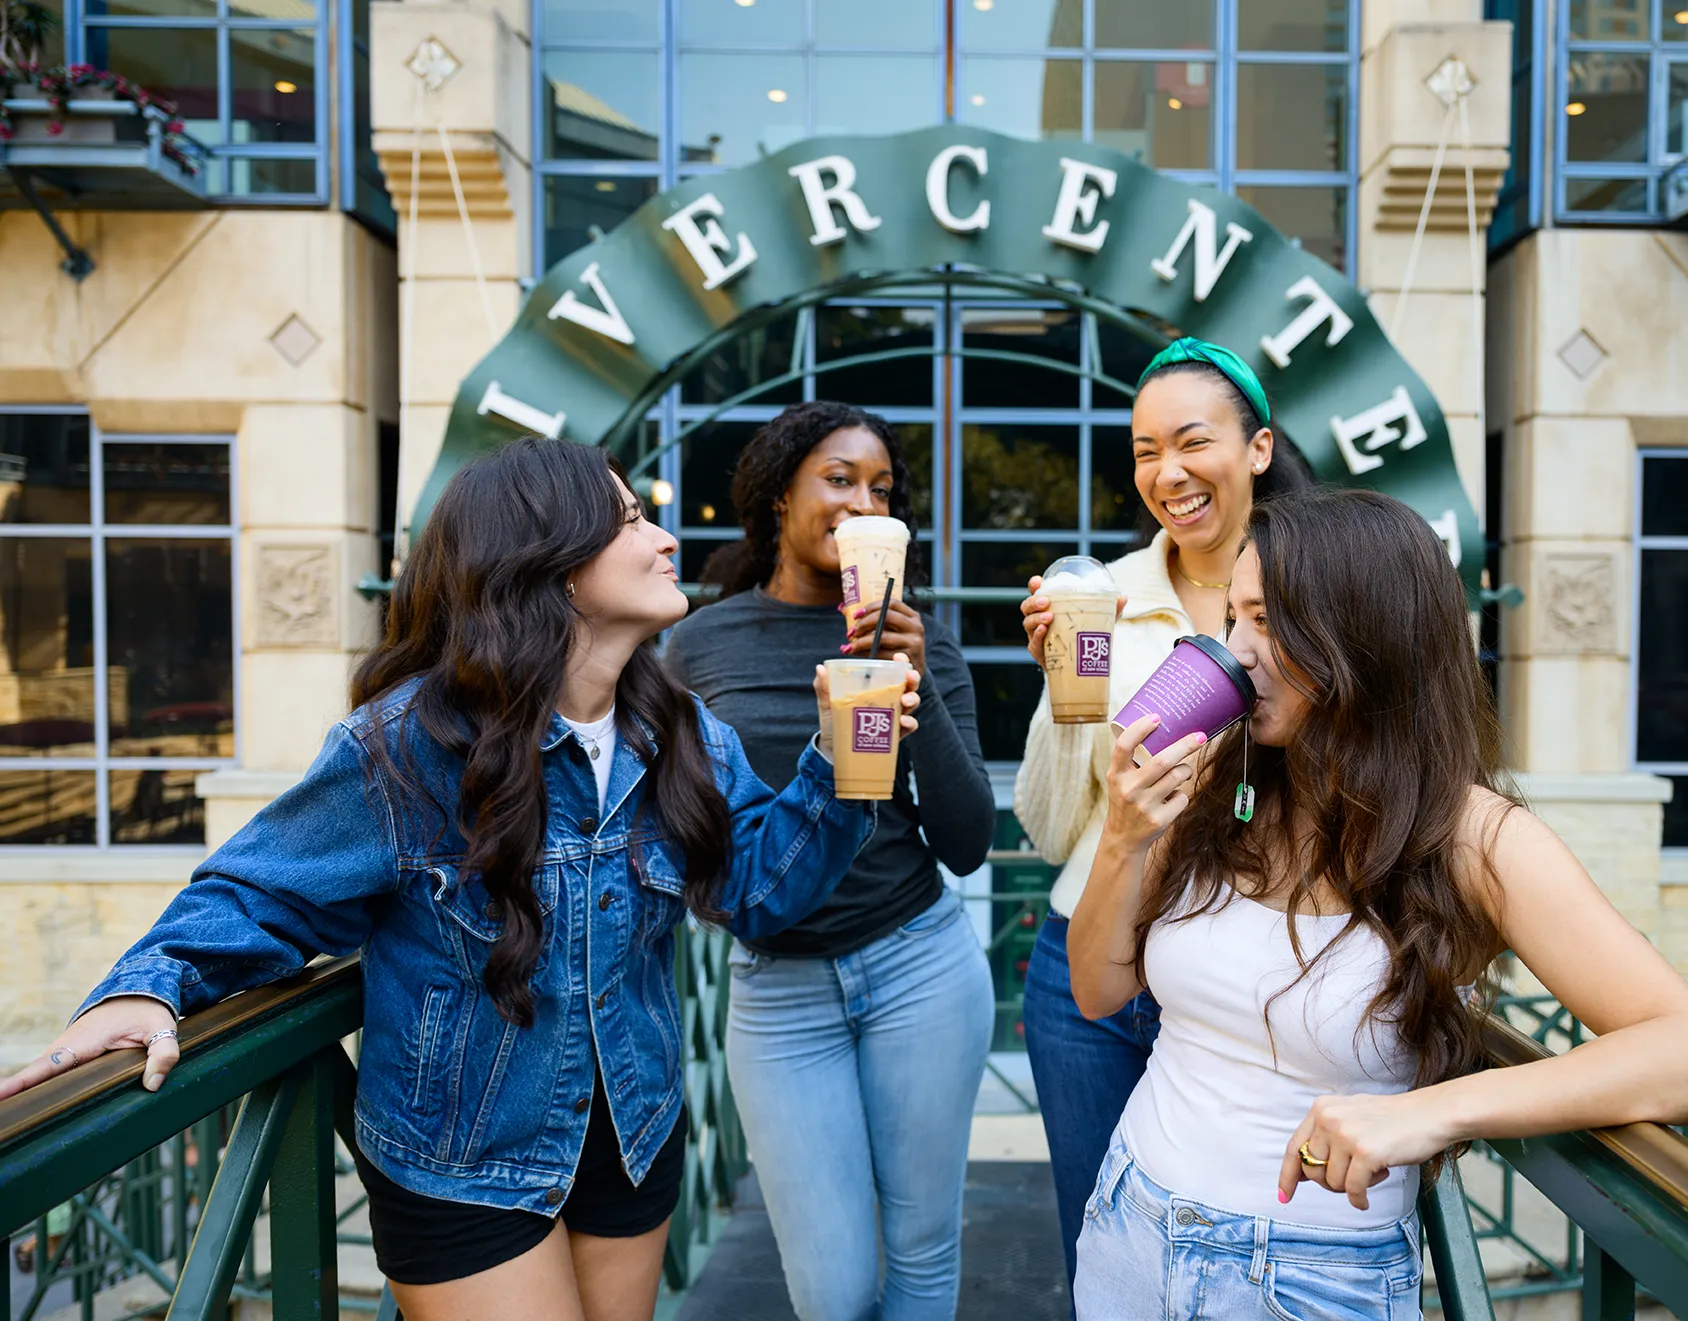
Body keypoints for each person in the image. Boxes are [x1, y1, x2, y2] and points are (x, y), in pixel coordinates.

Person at [0, 438, 921, 1321]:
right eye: (632, 519)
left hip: (633, 1135)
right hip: (463, 1157)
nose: (666, 537)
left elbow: (761, 888)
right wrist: (145, 989)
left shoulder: (678, 729)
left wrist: (842, 761)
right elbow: (256, 892)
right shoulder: (409, 745)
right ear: (553, 563)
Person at [1069, 488, 1688, 1320]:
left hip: (1307, 1275)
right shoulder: (1226, 775)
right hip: (1129, 1221)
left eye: (1266, 620)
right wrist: (1120, 835)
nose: (1235, 651)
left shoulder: (1473, 836)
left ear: (1360, 635)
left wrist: (1430, 1112)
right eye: (1231, 617)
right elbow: (1096, 991)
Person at [662, 401, 996, 1321]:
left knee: (923, 1254)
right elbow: (681, 817)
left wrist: (914, 682)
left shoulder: (924, 643)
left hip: (917, 961)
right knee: (834, 1287)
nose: (861, 500)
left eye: (880, 488)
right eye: (838, 478)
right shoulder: (699, 642)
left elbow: (967, 842)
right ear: (779, 496)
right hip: (778, 989)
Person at [1011, 336, 1309, 1301]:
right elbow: (1051, 827)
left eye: (1191, 442)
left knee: (1254, 1258)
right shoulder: (1099, 597)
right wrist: (1066, 689)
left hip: (1251, 967)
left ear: (1257, 448)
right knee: (1104, 1255)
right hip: (1085, 966)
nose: (1166, 473)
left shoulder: (1321, 596)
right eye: (1143, 451)